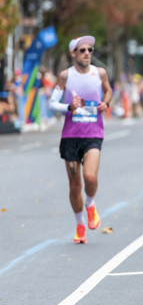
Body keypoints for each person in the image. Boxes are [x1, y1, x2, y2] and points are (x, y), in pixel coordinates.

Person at [49, 36, 113, 244]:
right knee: (75, 186)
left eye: (90, 49)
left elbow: (108, 90)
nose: (87, 53)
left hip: (93, 133)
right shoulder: (65, 76)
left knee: (90, 177)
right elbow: (52, 103)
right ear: (73, 53)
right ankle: (80, 225)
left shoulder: (99, 72)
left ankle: (91, 204)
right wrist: (69, 107)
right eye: (82, 50)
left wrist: (106, 103)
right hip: (70, 136)